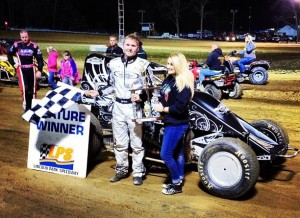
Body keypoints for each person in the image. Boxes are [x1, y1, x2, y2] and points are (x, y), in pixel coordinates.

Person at [86, 33, 155, 186]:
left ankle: (138, 172)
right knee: (120, 143)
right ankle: (121, 169)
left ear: (138, 48)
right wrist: (98, 92)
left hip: (134, 109)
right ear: (123, 46)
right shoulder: (114, 63)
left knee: (136, 143)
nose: (130, 48)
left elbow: (149, 90)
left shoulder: (144, 65)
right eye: (127, 45)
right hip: (117, 107)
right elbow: (110, 85)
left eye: (133, 46)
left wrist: (141, 96)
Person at [153, 53, 194, 195]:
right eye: (168, 63)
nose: (168, 66)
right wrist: (160, 103)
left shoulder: (184, 82)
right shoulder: (169, 79)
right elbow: (164, 96)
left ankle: (176, 184)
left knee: (165, 154)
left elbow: (180, 107)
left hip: (177, 123)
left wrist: (163, 109)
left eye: (171, 64)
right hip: (170, 121)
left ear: (179, 65)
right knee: (177, 153)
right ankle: (180, 177)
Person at [7, 29, 44, 113]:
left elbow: (40, 59)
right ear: (20, 37)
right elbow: (9, 54)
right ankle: (26, 108)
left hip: (31, 68)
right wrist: (13, 64)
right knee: (25, 88)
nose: (24, 39)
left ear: (28, 36)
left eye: (26, 37)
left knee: (33, 89)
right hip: (21, 69)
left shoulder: (34, 46)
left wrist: (40, 70)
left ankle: (33, 108)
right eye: (22, 37)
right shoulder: (16, 45)